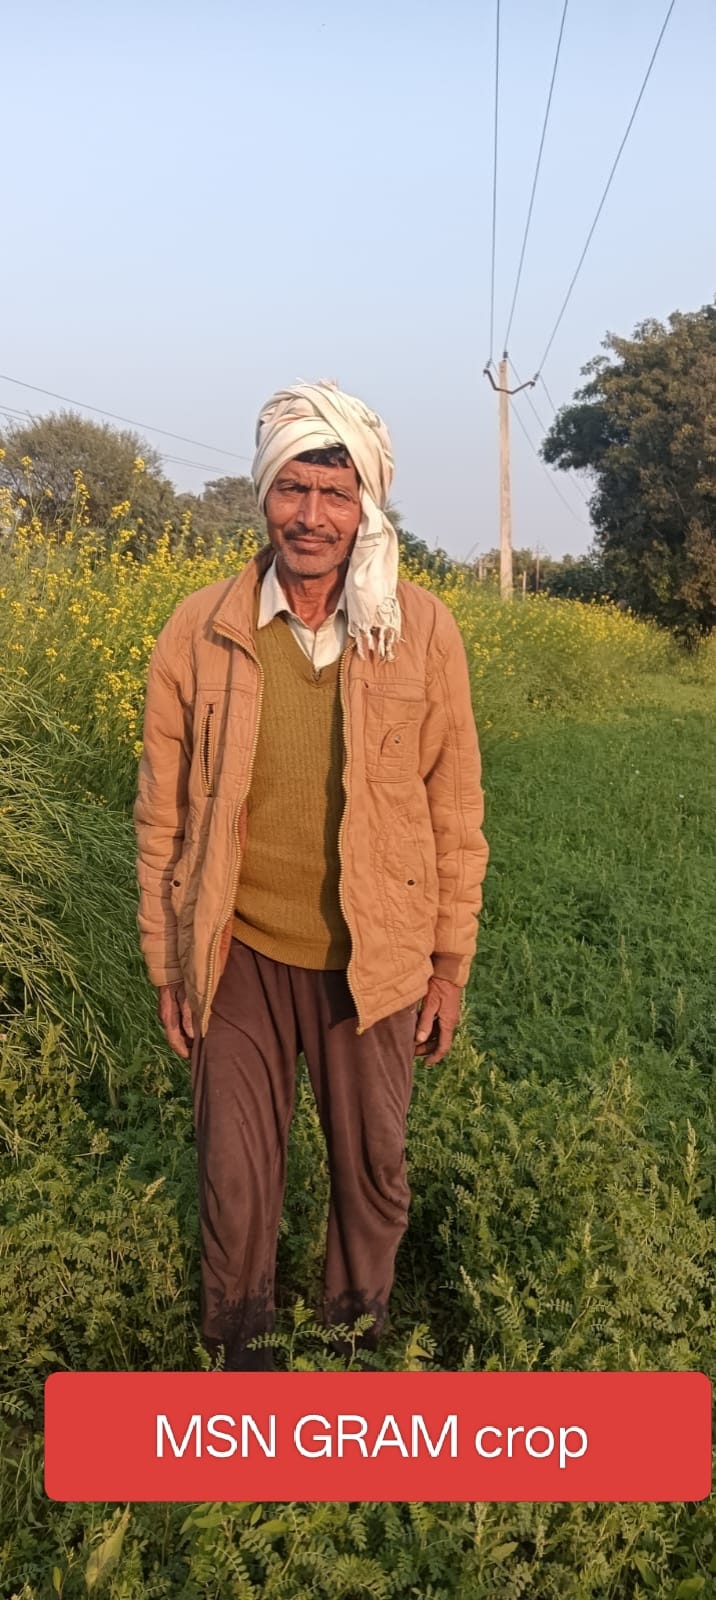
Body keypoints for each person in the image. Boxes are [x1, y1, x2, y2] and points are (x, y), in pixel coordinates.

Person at [133, 380, 489, 1370]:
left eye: (336, 495)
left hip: (371, 957)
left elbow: (454, 803)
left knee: (371, 1166)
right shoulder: (202, 631)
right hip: (236, 948)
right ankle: (240, 1351)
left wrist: (446, 959)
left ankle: (348, 1340)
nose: (311, 516)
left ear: (366, 507)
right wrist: (169, 964)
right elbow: (161, 810)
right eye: (293, 488)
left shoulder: (418, 631)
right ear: (263, 495)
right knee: (234, 1175)